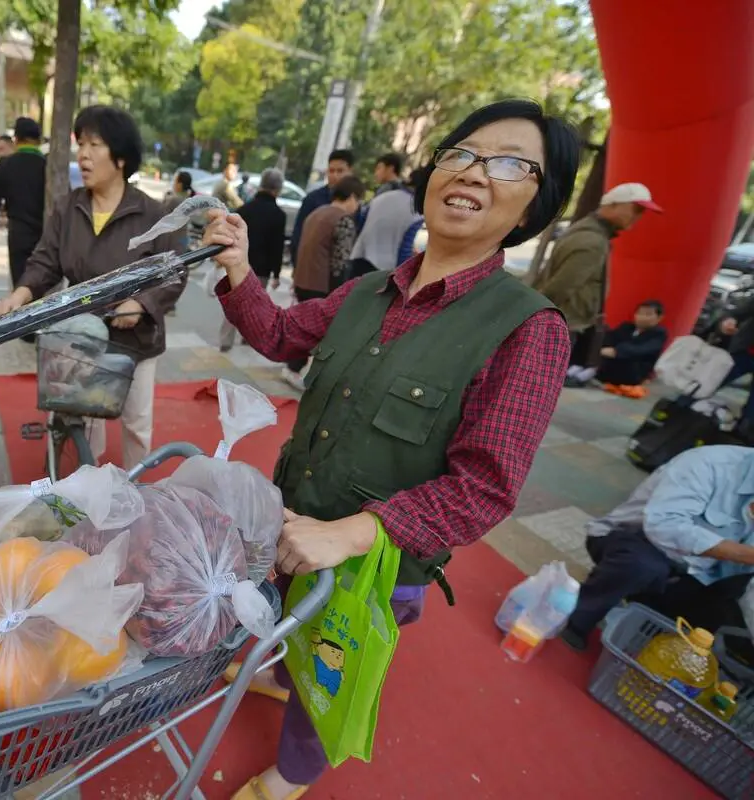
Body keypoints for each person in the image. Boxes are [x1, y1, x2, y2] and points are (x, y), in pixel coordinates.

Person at [202, 98, 579, 800]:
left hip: (376, 564)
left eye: (507, 164)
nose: (472, 172)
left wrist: (355, 532)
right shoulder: (368, 290)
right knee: (288, 627)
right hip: (291, 523)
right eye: (462, 153)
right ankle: (280, 675)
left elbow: (484, 487)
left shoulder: (529, 330)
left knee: (329, 677)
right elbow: (282, 336)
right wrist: (237, 270)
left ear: (533, 207)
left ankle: (292, 775)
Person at [0, 106, 185, 469]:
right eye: (82, 144)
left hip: (136, 342)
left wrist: (141, 304)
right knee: (86, 426)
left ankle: (136, 493)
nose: (84, 154)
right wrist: (19, 295)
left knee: (136, 426)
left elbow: (173, 272)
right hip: (82, 337)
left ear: (121, 157)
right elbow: (45, 261)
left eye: (96, 145)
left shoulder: (153, 214)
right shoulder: (68, 207)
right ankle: (86, 496)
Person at [561, 445, 754, 651]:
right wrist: (745, 554)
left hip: (699, 572)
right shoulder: (712, 464)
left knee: (722, 616)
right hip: (639, 539)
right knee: (642, 566)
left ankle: (643, 630)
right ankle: (578, 618)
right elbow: (664, 525)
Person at [533, 182, 661, 377]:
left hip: (558, 323)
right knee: (538, 384)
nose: (638, 216)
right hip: (561, 326)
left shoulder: (588, 232)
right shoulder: (593, 241)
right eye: (636, 209)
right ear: (614, 205)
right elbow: (561, 287)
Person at [282, 175, 365, 389]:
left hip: (303, 279)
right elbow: (340, 262)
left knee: (305, 329)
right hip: (322, 285)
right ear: (353, 197)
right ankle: (300, 371)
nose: (358, 207)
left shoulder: (316, 213)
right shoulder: (343, 220)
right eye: (359, 201)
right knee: (321, 334)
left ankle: (292, 367)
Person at [220, 167, 287, 353]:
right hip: (263, 269)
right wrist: (277, 273)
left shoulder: (244, 209)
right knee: (254, 305)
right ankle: (247, 340)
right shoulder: (278, 215)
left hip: (239, 264)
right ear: (278, 189)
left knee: (234, 303)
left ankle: (225, 342)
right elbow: (277, 247)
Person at [565, 299, 668, 393]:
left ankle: (581, 377)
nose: (641, 317)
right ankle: (572, 371)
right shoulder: (627, 327)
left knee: (619, 356)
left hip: (633, 371)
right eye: (639, 313)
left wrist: (617, 351)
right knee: (595, 335)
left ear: (659, 318)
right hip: (612, 366)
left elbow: (643, 349)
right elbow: (610, 338)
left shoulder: (659, 334)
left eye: (648, 314)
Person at [0, 117, 45, 289]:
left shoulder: (5, 165)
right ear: (39, 140)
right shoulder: (49, 165)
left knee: (21, 288)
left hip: (18, 235)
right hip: (47, 236)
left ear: (16, 139)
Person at [289, 149, 354, 266]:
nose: (335, 175)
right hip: (311, 268)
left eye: (340, 171)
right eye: (331, 170)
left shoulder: (354, 203)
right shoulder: (313, 199)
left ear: (350, 171)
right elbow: (298, 235)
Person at [347, 176, 421, 276]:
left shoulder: (383, 196)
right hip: (383, 270)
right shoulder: (416, 210)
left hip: (360, 254)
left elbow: (361, 221)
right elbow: (404, 250)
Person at [714, 297, 754, 441]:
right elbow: (737, 313)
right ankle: (675, 414)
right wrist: (729, 321)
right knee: (706, 384)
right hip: (744, 352)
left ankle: (739, 439)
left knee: (751, 414)